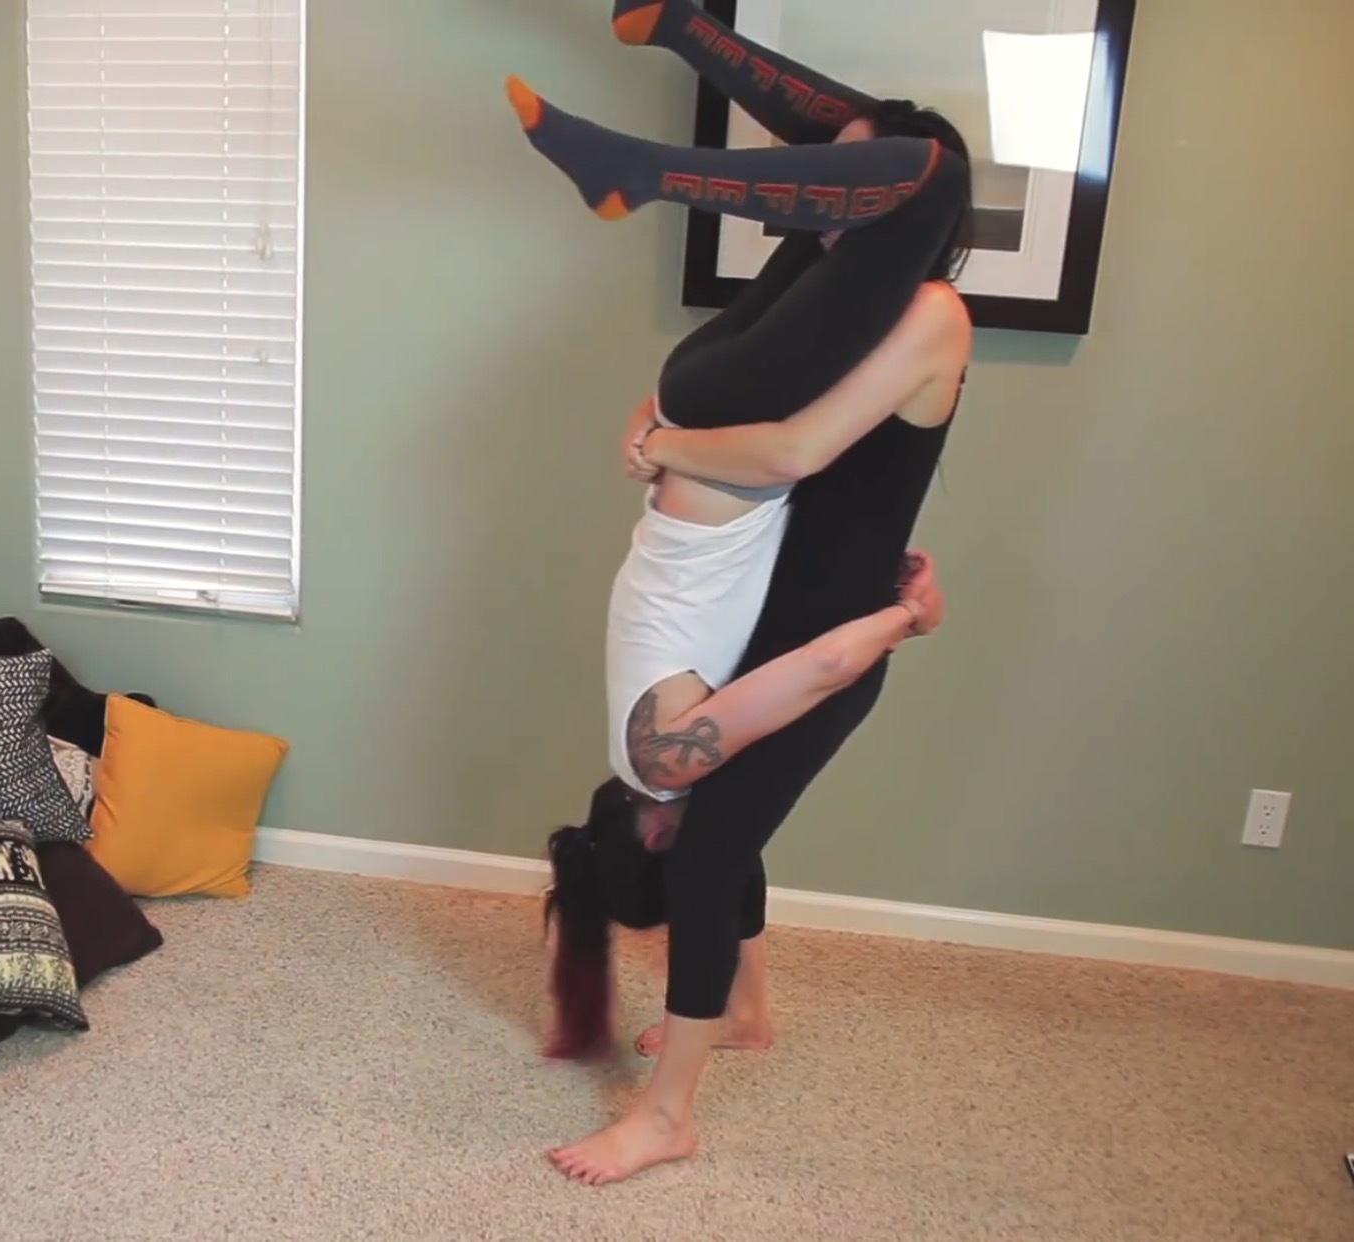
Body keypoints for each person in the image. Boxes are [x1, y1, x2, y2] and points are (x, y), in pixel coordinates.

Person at [506, 0, 980, 1186]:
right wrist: (663, 433)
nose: (831, 202)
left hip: (824, 646)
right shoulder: (849, 294)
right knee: (699, 376)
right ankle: (750, 1012)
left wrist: (663, 442)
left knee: (711, 853)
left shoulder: (931, 312)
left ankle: (669, 1115)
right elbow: (787, 453)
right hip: (780, 622)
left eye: (850, 188)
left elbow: (796, 454)